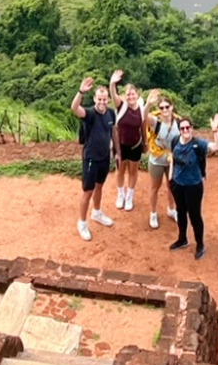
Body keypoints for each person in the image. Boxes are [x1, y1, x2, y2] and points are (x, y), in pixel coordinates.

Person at [70, 71, 120, 240]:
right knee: (88, 191)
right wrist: (81, 92)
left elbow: (113, 133)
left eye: (104, 99)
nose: (102, 102)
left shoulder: (111, 113)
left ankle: (97, 213)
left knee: (99, 186)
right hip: (91, 158)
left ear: (108, 100)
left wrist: (117, 153)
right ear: (94, 99)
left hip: (104, 157)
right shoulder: (90, 114)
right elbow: (74, 109)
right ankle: (82, 223)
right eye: (99, 99)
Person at [167, 113, 218, 258]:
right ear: (179, 130)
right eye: (182, 128)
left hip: (193, 185)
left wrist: (215, 131)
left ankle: (200, 244)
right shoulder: (175, 141)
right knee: (180, 212)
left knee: (195, 215)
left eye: (188, 128)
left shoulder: (198, 144)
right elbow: (172, 158)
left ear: (192, 128)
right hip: (178, 184)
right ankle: (182, 239)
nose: (185, 130)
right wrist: (170, 178)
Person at [111, 78, 149, 213]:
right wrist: (112, 83)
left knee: (133, 172)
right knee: (120, 171)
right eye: (128, 94)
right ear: (124, 96)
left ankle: (129, 197)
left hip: (135, 145)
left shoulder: (141, 108)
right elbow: (113, 94)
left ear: (137, 95)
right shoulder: (121, 106)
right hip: (120, 146)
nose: (131, 96)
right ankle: (120, 195)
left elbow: (143, 126)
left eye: (133, 94)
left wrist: (145, 142)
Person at [143, 92, 179, 229]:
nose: (164, 110)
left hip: (172, 159)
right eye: (162, 107)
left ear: (171, 107)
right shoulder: (156, 122)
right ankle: (153, 213)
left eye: (167, 107)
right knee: (154, 187)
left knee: (171, 186)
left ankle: (171, 209)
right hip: (157, 159)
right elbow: (144, 117)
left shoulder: (179, 122)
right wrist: (148, 103)